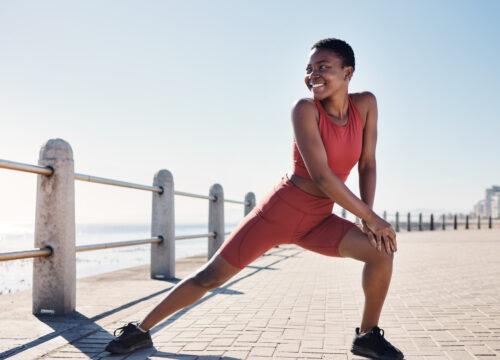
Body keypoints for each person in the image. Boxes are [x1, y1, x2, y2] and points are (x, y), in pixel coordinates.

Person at [105, 38, 404, 360]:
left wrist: (366, 216)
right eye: (309, 69)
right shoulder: (304, 109)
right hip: (280, 212)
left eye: (323, 67)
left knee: (381, 252)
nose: (313, 74)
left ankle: (367, 336)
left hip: (319, 218)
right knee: (210, 277)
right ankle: (140, 329)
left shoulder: (367, 104)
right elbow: (321, 176)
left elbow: (368, 164)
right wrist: (371, 218)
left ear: (348, 72)